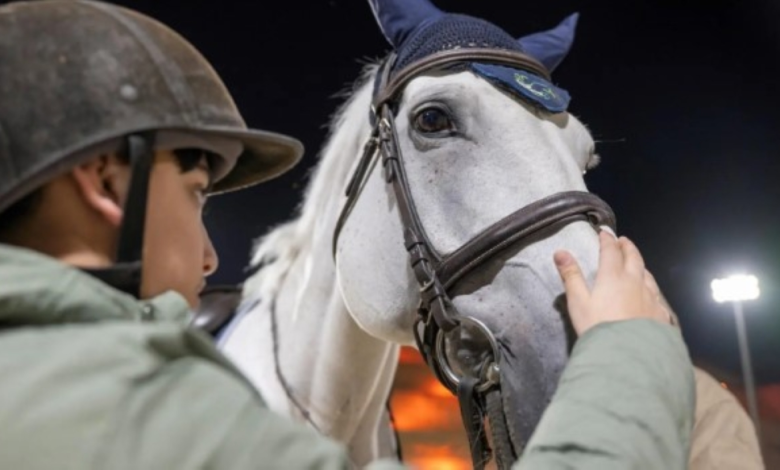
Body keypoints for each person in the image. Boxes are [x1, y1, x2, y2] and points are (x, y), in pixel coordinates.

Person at [0, 1, 757, 469]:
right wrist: (629, 353)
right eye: (197, 193)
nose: (209, 254)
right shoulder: (146, 418)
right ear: (105, 187)